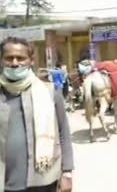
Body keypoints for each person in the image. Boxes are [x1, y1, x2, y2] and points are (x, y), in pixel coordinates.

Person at [0, 37, 74, 192]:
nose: (14, 63)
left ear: (31, 60)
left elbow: (63, 132)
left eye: (20, 58)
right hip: (5, 182)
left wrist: (67, 172)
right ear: (1, 60)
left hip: (43, 180)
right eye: (9, 58)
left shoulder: (50, 91)